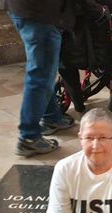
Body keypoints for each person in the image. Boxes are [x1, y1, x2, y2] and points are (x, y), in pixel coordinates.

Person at [5, 0, 78, 157]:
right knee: (40, 75)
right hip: (39, 13)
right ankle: (29, 137)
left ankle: (52, 117)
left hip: (24, 10)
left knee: (44, 72)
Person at [59, 0, 112, 113]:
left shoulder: (58, 7)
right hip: (97, 55)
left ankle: (78, 103)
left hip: (67, 56)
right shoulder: (99, 5)